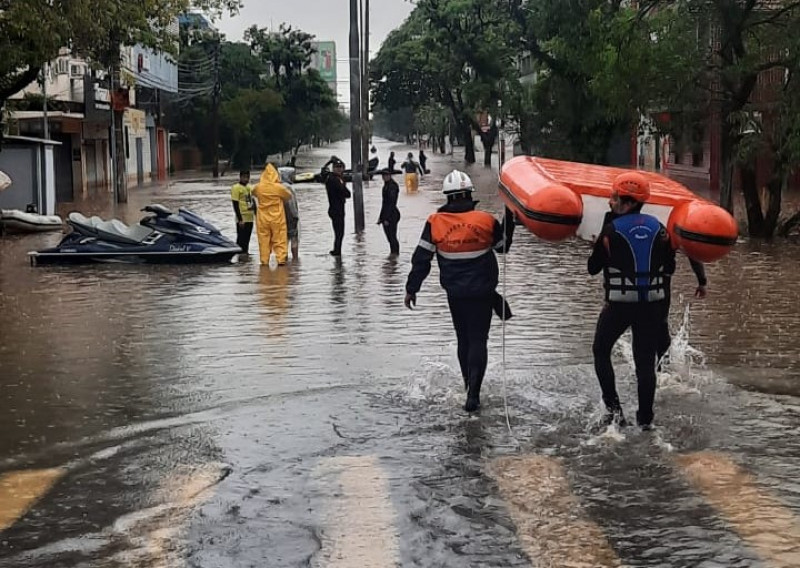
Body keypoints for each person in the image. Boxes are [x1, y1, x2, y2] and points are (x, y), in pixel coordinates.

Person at [405, 170, 515, 412]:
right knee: (478, 340)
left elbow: (421, 259)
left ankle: (467, 388)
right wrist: (510, 218)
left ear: (448, 197)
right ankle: (474, 395)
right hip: (483, 294)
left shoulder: (435, 222)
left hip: (456, 295)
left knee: (463, 340)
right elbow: (503, 247)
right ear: (468, 194)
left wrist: (412, 289)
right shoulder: (486, 221)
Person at [588, 172, 676, 431]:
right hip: (651, 307)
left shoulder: (610, 231)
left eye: (614, 198)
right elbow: (670, 266)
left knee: (600, 351)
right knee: (645, 363)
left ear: (627, 202)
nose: (610, 202)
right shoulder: (660, 229)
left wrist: (599, 244)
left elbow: (592, 268)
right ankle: (646, 420)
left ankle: (615, 412)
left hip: (618, 306)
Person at [252, 164, 293, 266]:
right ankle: (281, 259)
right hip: (277, 217)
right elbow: (288, 196)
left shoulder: (258, 187)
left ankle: (264, 260)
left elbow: (252, 192)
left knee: (263, 241)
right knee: (279, 239)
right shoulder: (279, 188)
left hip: (262, 218)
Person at [325, 158, 351, 256]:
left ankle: (337, 251)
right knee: (339, 232)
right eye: (337, 167)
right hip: (335, 209)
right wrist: (330, 161)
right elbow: (345, 192)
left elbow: (346, 193)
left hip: (339, 208)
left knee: (340, 233)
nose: (339, 169)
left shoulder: (340, 179)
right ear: (333, 168)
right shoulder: (332, 179)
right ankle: (337, 252)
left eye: (340, 167)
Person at [377, 168, 400, 255]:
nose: (384, 177)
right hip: (387, 214)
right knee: (389, 237)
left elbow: (391, 203)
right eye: (383, 175)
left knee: (392, 237)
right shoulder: (385, 186)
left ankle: (395, 255)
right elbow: (384, 204)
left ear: (390, 175)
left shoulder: (393, 186)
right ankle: (393, 255)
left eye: (386, 175)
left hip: (392, 214)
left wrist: (386, 218)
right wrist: (381, 217)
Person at [279, 167, 300, 259]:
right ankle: (295, 259)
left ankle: (284, 258)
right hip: (290, 217)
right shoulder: (288, 187)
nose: (293, 177)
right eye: (292, 175)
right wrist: (295, 216)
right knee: (294, 238)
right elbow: (291, 204)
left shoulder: (277, 186)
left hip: (280, 217)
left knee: (284, 239)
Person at [231, 170, 254, 254]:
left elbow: (252, 201)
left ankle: (245, 258)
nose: (246, 179)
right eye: (244, 177)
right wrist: (240, 219)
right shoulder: (236, 188)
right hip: (242, 218)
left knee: (247, 239)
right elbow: (235, 204)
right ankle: (238, 258)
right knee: (241, 239)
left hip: (250, 217)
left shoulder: (250, 187)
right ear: (240, 177)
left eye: (247, 177)